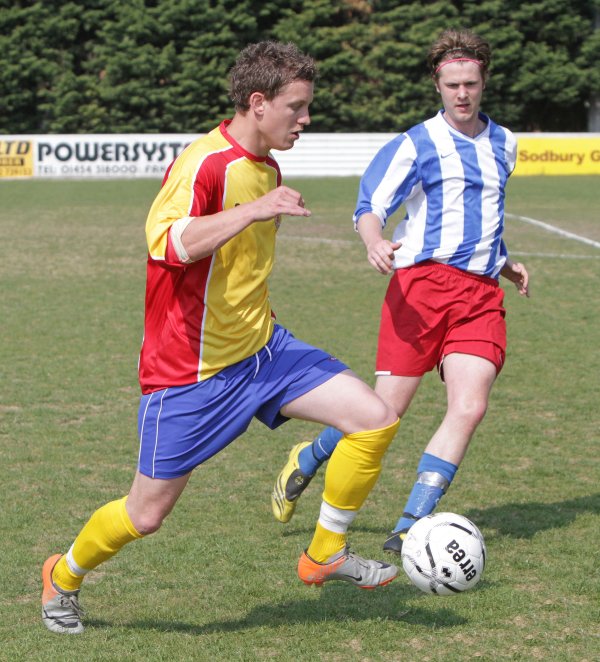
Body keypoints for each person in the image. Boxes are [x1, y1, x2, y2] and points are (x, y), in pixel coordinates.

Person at [41, 41, 400, 635]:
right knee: (146, 515)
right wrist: (254, 211)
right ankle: (64, 574)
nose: (306, 120)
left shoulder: (268, 167)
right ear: (258, 103)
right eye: (297, 107)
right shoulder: (206, 164)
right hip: (190, 373)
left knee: (374, 418)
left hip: (264, 352)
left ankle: (323, 556)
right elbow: (167, 243)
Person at [271, 28, 529, 556]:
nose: (462, 94)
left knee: (470, 406)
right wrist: (373, 240)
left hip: (480, 295)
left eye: (471, 84)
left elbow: (481, 215)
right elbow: (370, 205)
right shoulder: (417, 143)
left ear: (484, 82)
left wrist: (504, 261)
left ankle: (414, 522)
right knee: (384, 414)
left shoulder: (505, 144)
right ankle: (309, 456)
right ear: (437, 83)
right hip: (421, 290)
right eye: (452, 84)